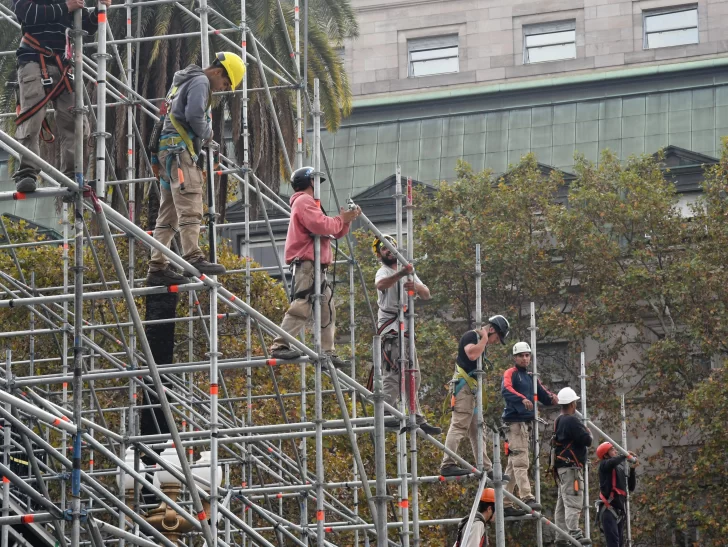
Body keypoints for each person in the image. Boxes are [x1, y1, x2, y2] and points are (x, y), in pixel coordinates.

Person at [147, 52, 246, 286]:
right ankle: (192, 256)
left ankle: (157, 266)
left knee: (168, 213)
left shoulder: (181, 82)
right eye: (225, 83)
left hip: (166, 151)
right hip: (179, 152)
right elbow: (193, 115)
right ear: (218, 72)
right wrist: (209, 134)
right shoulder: (201, 81)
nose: (222, 88)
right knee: (190, 203)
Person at [12, 0, 112, 193]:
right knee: (32, 119)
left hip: (62, 64)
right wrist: (66, 7)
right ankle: (27, 172)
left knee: (75, 120)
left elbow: (84, 26)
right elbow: (28, 13)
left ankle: (73, 176)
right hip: (33, 59)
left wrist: (100, 9)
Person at [268, 167, 361, 367]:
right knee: (302, 304)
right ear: (310, 182)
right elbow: (321, 225)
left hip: (317, 266)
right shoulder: (303, 201)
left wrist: (345, 222)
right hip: (307, 264)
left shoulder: (310, 203)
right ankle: (280, 345)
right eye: (315, 181)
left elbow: (332, 232)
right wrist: (340, 220)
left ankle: (328, 351)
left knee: (327, 309)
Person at [373, 235, 440, 436]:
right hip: (391, 330)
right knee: (394, 374)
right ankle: (387, 412)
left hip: (406, 331)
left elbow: (426, 293)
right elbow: (381, 285)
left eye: (391, 247)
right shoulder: (383, 271)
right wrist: (401, 273)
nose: (389, 250)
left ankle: (416, 416)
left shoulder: (408, 270)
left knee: (414, 376)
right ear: (379, 255)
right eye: (384, 248)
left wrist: (415, 286)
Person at [440, 315, 511, 478]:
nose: (495, 342)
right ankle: (448, 463)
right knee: (459, 425)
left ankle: (486, 467)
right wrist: (485, 339)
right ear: (491, 329)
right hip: (463, 389)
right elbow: (471, 355)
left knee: (478, 429)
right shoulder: (471, 336)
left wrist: (485, 340)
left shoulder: (481, 341)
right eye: (496, 338)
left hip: (472, 391)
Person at [501, 341, 559, 516]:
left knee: (513, 465)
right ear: (515, 357)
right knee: (521, 461)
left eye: (527, 355)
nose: (524, 358)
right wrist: (521, 399)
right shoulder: (511, 373)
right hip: (515, 423)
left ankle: (504, 502)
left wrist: (552, 398)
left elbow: (543, 394)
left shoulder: (532, 377)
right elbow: (506, 390)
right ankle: (526, 496)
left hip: (525, 424)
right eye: (521, 356)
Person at [552, 387, 593, 546]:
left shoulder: (558, 420)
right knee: (573, 499)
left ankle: (561, 536)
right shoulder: (572, 420)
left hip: (562, 468)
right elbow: (587, 440)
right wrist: (588, 433)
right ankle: (575, 534)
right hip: (571, 469)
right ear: (573, 404)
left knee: (562, 502)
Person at [597, 443, 638, 547]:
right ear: (606, 455)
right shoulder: (604, 465)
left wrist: (632, 469)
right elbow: (612, 462)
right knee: (613, 544)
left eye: (615, 449)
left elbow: (631, 487)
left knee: (620, 544)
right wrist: (625, 454)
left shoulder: (619, 468)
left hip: (619, 512)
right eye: (612, 450)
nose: (615, 451)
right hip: (609, 510)